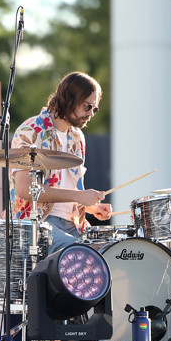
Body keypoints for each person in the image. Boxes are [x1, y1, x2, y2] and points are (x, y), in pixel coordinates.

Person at [11, 71, 112, 254]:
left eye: (95, 109)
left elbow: (69, 192)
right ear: (69, 99)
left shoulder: (77, 137)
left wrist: (91, 207)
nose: (91, 114)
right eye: (87, 106)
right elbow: (24, 189)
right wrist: (77, 196)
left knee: (109, 253)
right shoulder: (30, 130)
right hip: (37, 224)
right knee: (78, 253)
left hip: (73, 223)